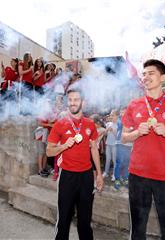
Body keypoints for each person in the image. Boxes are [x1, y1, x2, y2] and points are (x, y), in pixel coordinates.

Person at [122, 59, 165, 240]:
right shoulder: (133, 105)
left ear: (163, 77)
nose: (145, 77)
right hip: (137, 175)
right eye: (144, 74)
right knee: (137, 230)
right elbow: (123, 138)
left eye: (151, 73)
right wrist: (137, 132)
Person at [46, 88, 104, 240]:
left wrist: (99, 174)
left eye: (76, 100)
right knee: (64, 219)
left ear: (83, 103)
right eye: (70, 100)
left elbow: (94, 149)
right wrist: (64, 146)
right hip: (67, 176)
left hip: (86, 176)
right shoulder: (60, 124)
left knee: (85, 220)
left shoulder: (90, 124)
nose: (72, 103)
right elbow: (49, 152)